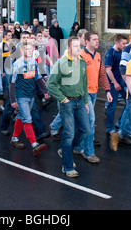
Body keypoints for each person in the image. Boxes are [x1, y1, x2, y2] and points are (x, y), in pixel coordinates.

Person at [47, 36, 90, 178]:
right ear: (69, 48)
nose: (80, 48)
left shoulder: (82, 62)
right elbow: (50, 84)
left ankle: (66, 151)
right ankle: (68, 166)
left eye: (80, 46)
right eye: (76, 46)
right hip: (67, 103)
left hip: (80, 102)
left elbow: (84, 83)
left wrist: (85, 102)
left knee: (85, 130)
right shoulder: (61, 63)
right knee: (69, 134)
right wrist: (63, 99)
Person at [77, 31, 112, 163]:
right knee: (91, 121)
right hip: (83, 94)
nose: (97, 41)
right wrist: (84, 99)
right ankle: (89, 152)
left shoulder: (97, 55)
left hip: (94, 92)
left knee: (84, 123)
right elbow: (78, 78)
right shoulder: (80, 55)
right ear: (86, 42)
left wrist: (107, 90)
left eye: (98, 39)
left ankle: (77, 146)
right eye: (94, 39)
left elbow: (102, 74)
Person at [9, 42, 48, 156]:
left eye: (31, 49)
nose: (29, 51)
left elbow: (38, 78)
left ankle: (14, 138)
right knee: (27, 118)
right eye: (27, 49)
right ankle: (34, 144)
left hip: (31, 95)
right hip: (21, 96)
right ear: (22, 51)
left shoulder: (33, 62)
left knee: (21, 116)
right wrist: (12, 100)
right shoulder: (17, 64)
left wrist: (44, 91)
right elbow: (11, 82)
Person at [105, 34, 128, 135]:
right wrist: (114, 83)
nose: (125, 45)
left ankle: (119, 122)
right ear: (117, 42)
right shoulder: (111, 53)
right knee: (112, 106)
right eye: (123, 43)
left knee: (129, 102)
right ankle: (109, 128)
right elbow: (108, 70)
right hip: (113, 84)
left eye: (126, 43)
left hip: (122, 83)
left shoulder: (123, 52)